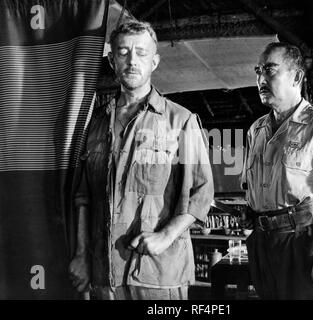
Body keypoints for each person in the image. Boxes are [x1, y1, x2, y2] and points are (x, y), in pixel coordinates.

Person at [68, 20, 214, 300]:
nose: (132, 60)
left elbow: (201, 192)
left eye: (141, 52)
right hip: (103, 272)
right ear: (112, 60)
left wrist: (166, 236)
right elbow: (83, 196)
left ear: (155, 61)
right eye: (123, 52)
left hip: (157, 272)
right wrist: (81, 254)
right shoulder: (94, 124)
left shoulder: (180, 120)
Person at [241, 42, 313, 299]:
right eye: (258, 71)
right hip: (263, 245)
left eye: (270, 70)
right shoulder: (255, 131)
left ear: (296, 77)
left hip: (305, 242)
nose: (261, 78)